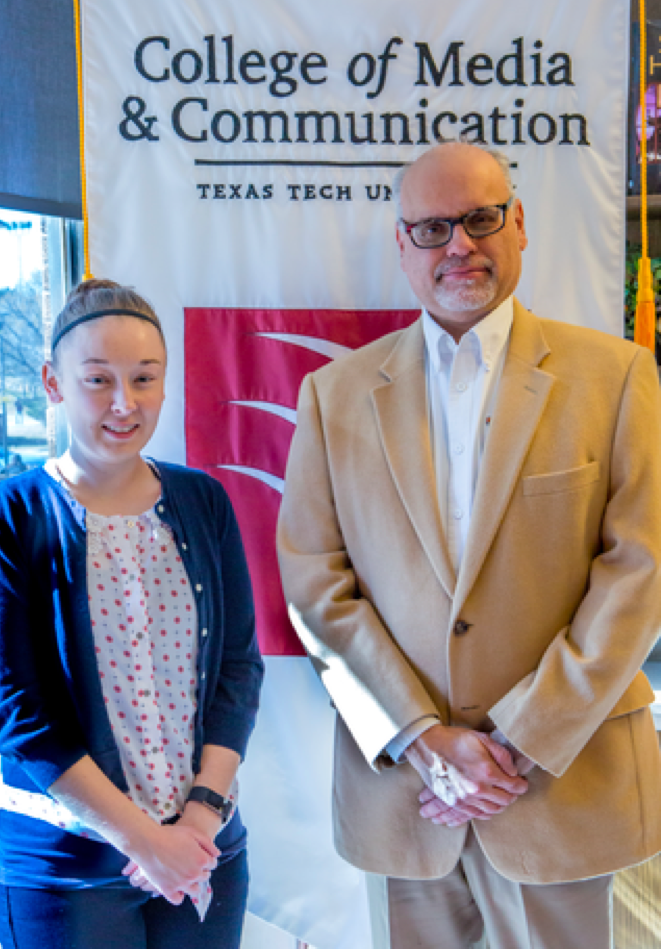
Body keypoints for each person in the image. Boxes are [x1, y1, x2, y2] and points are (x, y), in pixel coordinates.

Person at [276, 142, 661, 949]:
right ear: (402, 245)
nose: (459, 244)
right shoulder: (333, 395)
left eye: (481, 218)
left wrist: (514, 742)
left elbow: (639, 571)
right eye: (432, 228)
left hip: (562, 783)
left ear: (517, 224)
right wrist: (420, 735)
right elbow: (316, 583)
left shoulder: (618, 376)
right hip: (404, 797)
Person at [0, 279, 263, 949]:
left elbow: (238, 666)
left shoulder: (203, 501)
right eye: (98, 379)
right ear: (53, 383)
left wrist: (200, 817)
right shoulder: (14, 514)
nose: (125, 403)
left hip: (204, 851)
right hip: (67, 868)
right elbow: (16, 709)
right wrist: (145, 840)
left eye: (145, 378)